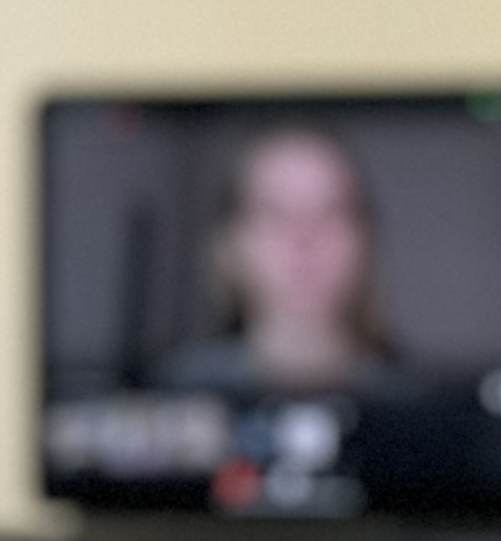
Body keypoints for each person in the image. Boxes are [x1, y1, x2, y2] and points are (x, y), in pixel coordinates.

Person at [156, 125, 400, 396]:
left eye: (331, 211)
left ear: (363, 237)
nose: (304, 239)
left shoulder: (413, 403)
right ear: (229, 242)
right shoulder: (172, 398)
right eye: (274, 212)